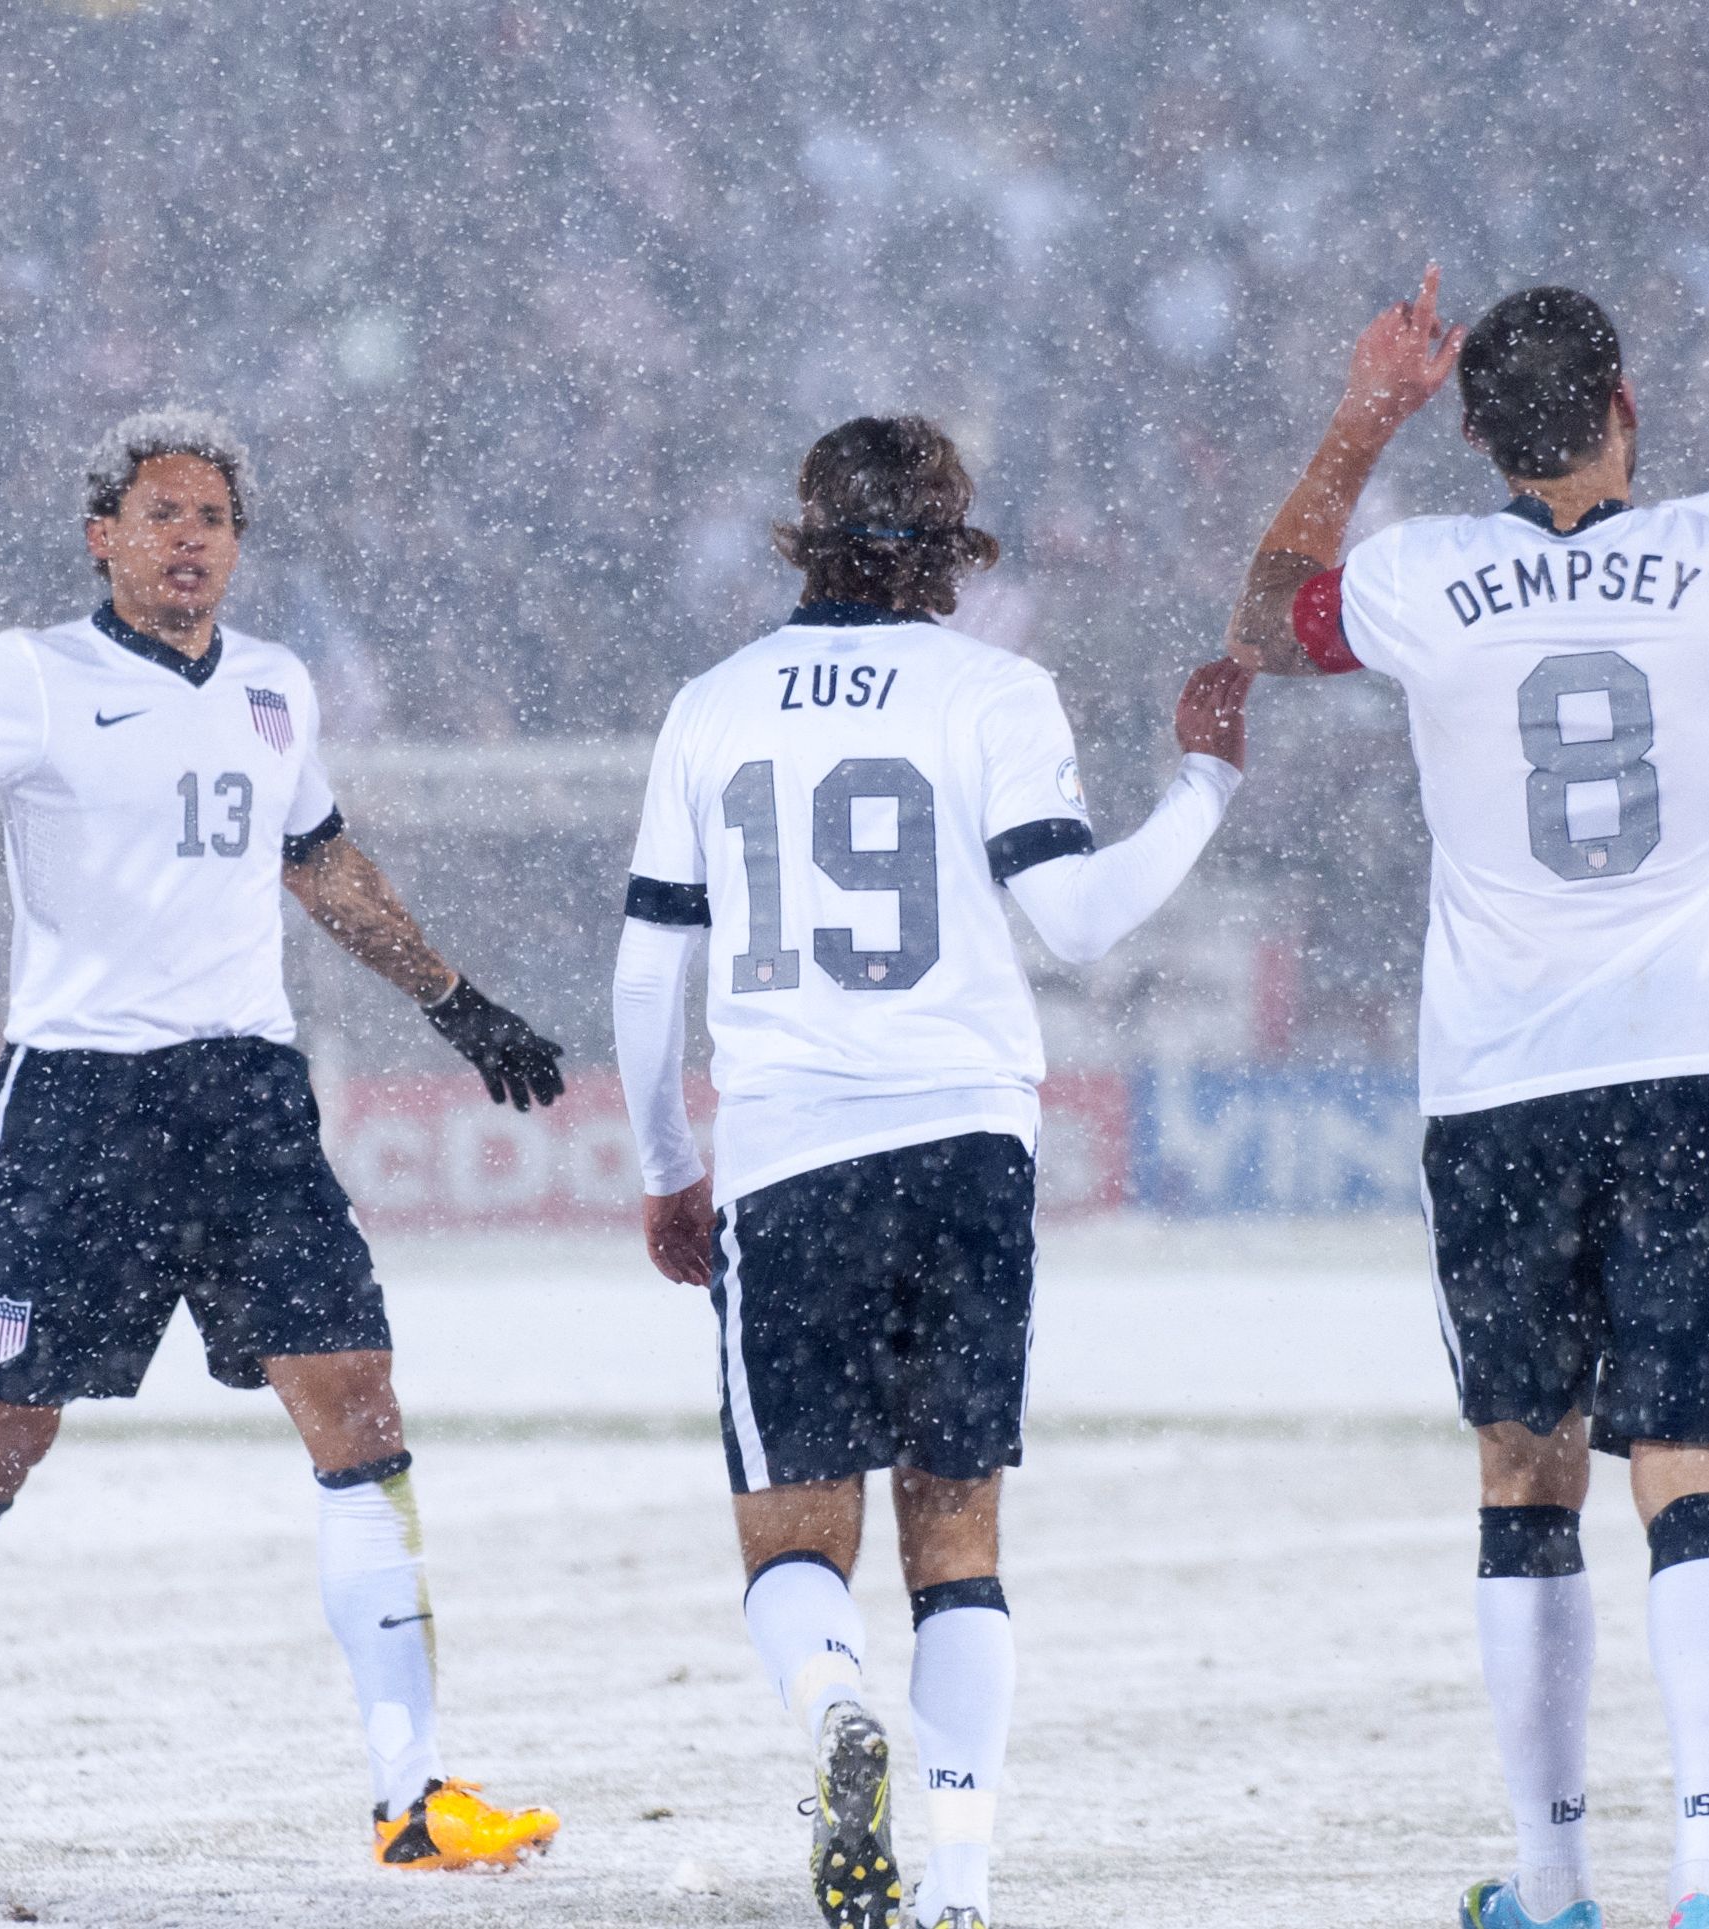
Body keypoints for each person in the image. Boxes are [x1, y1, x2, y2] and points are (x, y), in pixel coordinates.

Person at [1220, 242, 1709, 1929]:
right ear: (1625, 407)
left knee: (1528, 1469)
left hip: (1504, 1086)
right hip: (1705, 1070)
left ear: (1473, 436)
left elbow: (1263, 608)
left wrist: (1360, 409)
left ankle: (1552, 1883)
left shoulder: (1425, 579)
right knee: (1697, 1466)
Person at [0, 408, 570, 1879]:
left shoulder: (273, 687)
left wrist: (454, 998)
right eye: (163, 513)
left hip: (248, 1095)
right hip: (82, 1101)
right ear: (101, 536)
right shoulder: (34, 674)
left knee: (358, 1402)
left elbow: (318, 861)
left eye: (214, 518)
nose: (191, 539)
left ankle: (414, 1788)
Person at [613, 415, 1253, 1929]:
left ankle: (836, 1705)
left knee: (791, 1530)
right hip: (966, 1137)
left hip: (789, 1150)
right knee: (955, 1531)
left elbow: (652, 972)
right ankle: (956, 1883)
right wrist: (1206, 788)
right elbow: (1082, 922)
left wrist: (665, 1166)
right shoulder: (996, 692)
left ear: (803, 532)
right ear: (951, 543)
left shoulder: (712, 706)